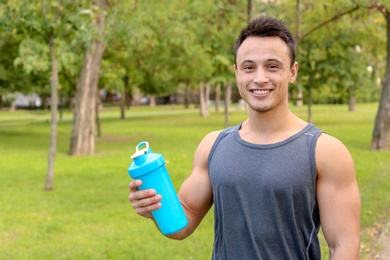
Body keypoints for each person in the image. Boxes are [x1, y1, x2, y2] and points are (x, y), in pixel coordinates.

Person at [129, 16, 361, 259]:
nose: (259, 78)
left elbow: (344, 245)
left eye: (272, 66)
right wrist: (155, 206)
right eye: (249, 67)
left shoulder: (325, 151)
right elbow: (183, 221)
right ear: (237, 72)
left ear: (293, 72)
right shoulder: (213, 145)